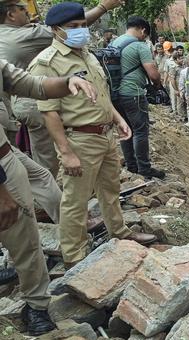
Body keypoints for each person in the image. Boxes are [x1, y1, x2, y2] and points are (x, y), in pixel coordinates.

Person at [29, 3, 157, 268]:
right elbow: (49, 112)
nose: (80, 31)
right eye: (73, 28)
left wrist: (118, 119)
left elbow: (101, 96)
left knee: (110, 189)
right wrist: (65, 152)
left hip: (105, 135)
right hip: (79, 139)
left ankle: (119, 232)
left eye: (82, 26)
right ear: (56, 31)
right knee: (75, 202)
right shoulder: (47, 63)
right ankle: (74, 258)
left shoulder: (86, 55)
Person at [1, 53, 98, 337]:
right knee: (22, 233)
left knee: (40, 179)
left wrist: (68, 81)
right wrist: (2, 192)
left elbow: (31, 84)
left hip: (7, 151)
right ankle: (37, 305)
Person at [0, 0, 122, 177]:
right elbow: (71, 23)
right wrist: (104, 7)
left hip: (15, 104)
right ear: (10, 14)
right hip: (35, 101)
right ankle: (50, 194)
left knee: (21, 155)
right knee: (49, 158)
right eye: (22, 9)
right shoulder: (28, 37)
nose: (27, 13)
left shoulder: (5, 34)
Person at [111, 17, 165, 179]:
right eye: (146, 35)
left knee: (124, 129)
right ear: (142, 30)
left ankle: (131, 165)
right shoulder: (139, 45)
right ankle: (144, 168)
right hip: (133, 93)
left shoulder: (114, 43)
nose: (145, 38)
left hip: (114, 94)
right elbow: (153, 74)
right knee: (140, 131)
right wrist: (157, 85)